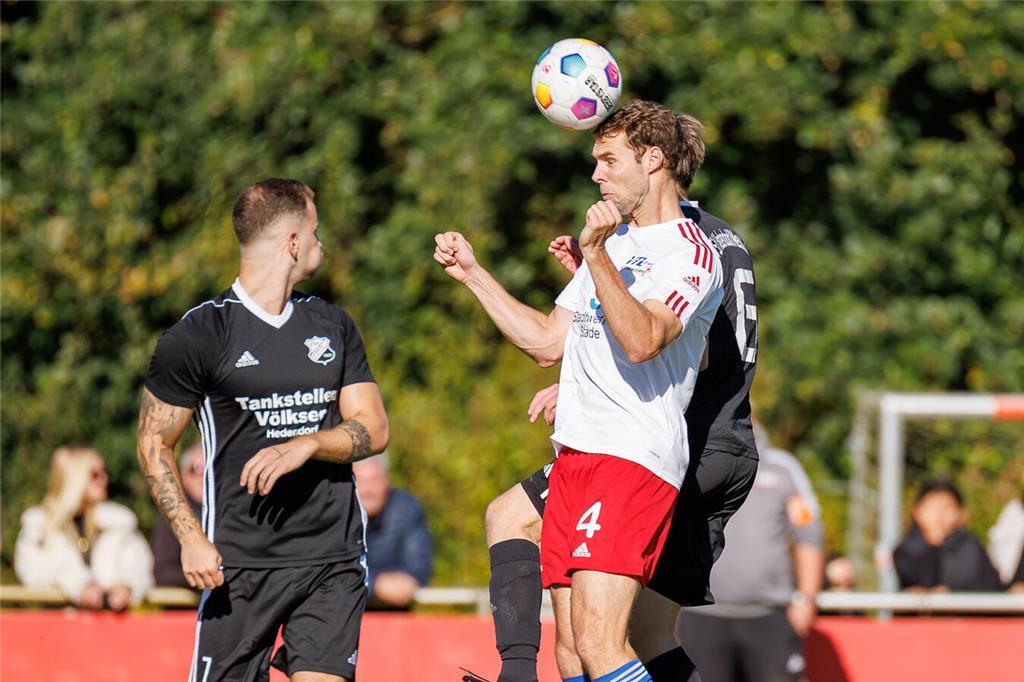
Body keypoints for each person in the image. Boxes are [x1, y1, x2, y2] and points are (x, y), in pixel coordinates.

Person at [437, 100, 727, 682]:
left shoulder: (692, 254)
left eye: (607, 160)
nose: (596, 174)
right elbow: (547, 341)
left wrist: (593, 254)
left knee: (601, 643)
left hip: (630, 459)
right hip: (575, 456)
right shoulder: (614, 246)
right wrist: (474, 276)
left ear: (652, 160)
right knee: (571, 655)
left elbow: (645, 340)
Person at [137, 178, 389, 682]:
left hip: (331, 557)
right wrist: (190, 538)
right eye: (316, 232)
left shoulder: (333, 324)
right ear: (293, 242)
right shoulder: (199, 335)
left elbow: (374, 428)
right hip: (240, 565)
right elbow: (153, 443)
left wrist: (310, 444)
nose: (322, 243)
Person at [676, 424, 825, 682]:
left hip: (768, 617)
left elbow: (809, 534)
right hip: (700, 616)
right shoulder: (689, 457)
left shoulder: (783, 468)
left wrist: (807, 599)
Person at [15, 445, 154, 610]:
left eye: (104, 472)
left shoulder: (120, 522)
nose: (104, 479)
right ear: (74, 478)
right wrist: (77, 585)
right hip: (60, 625)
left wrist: (128, 587)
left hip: (111, 626)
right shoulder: (38, 524)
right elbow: (31, 572)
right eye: (94, 475)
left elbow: (141, 570)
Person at [352, 452, 433, 609]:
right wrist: (375, 583)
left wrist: (363, 582)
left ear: (386, 480)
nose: (368, 489)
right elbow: (328, 574)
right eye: (361, 481)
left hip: (396, 620)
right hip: (343, 618)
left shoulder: (407, 510)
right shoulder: (335, 514)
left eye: (374, 480)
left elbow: (417, 573)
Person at [893, 479, 1003, 592]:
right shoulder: (907, 547)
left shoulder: (970, 547)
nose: (939, 515)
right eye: (933, 507)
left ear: (960, 514)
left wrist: (950, 591)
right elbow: (913, 575)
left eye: (947, 508)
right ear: (917, 511)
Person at [150, 442, 204, 588]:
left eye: (209, 470)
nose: (203, 476)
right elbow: (163, 571)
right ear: (183, 475)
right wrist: (208, 576)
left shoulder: (225, 512)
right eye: (197, 469)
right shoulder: (173, 514)